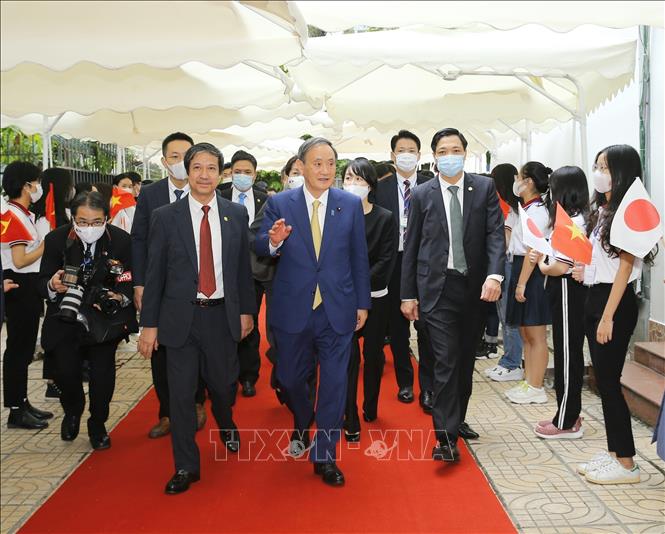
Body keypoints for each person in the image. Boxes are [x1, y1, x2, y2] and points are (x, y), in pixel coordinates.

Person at [138, 142, 256, 495]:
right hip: (180, 320)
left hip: (221, 317)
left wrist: (247, 311)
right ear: (187, 173)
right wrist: (149, 325)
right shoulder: (165, 216)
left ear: (221, 174)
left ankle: (226, 421)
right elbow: (155, 274)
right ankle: (186, 466)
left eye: (211, 168)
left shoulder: (235, 214)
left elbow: (241, 271)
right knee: (181, 395)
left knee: (222, 386)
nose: (204, 175)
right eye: (197, 168)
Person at [256, 137, 371, 486]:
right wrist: (274, 241)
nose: (325, 170)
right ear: (302, 166)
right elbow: (259, 243)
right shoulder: (280, 203)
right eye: (317, 163)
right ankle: (303, 417)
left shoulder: (349, 204)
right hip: (294, 309)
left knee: (335, 385)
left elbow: (358, 257)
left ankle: (325, 456)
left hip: (337, 309)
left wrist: (362, 302)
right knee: (290, 379)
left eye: (331, 163)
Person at [401, 128, 505, 462]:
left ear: (464, 152)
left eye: (455, 149)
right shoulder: (421, 194)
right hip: (437, 290)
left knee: (463, 361)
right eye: (443, 151)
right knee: (445, 361)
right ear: (434, 156)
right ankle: (445, 438)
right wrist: (408, 294)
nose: (450, 156)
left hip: (475, 290)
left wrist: (494, 274)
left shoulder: (484, 188)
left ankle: (457, 419)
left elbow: (494, 235)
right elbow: (412, 247)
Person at [573, 145, 657, 484]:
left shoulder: (629, 212)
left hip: (614, 302)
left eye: (605, 167)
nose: (598, 172)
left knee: (609, 383)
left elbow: (624, 268)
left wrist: (607, 317)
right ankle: (613, 454)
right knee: (603, 382)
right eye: (597, 165)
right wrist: (585, 271)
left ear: (622, 172)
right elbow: (602, 261)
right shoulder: (604, 210)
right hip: (595, 296)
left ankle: (627, 464)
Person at [39, 191, 137, 449]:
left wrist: (119, 295)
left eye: (96, 222)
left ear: (106, 218)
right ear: (72, 218)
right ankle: (73, 410)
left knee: (102, 376)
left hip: (103, 320)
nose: (89, 228)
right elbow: (41, 281)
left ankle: (98, 423)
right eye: (82, 222)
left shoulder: (121, 240)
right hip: (65, 317)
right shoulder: (56, 239)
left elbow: (131, 277)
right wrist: (52, 284)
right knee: (65, 373)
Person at [131, 132, 208, 439]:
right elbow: (138, 239)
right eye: (174, 157)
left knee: (199, 346)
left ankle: (197, 402)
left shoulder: (204, 191)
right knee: (162, 352)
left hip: (199, 287)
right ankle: (167, 412)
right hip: (160, 288)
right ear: (164, 162)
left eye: (185, 156)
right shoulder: (150, 195)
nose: (180, 162)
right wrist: (138, 283)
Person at [375, 130, 434, 412]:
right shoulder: (381, 187)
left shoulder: (431, 185)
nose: (407, 154)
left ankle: (428, 388)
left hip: (424, 264)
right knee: (398, 329)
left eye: (412, 149)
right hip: (394, 264)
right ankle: (405, 383)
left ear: (419, 156)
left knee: (425, 327)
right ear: (392, 155)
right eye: (401, 149)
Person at [530, 166, 590, 439]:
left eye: (553, 186)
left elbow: (558, 266)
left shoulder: (572, 222)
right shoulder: (573, 218)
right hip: (564, 289)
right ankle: (567, 413)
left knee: (567, 354)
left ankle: (566, 421)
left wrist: (542, 264)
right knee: (568, 352)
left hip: (567, 288)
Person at [341, 158, 397, 441]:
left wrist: (357, 285)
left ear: (371, 185)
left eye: (360, 180)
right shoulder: (335, 215)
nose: (353, 185)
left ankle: (370, 405)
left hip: (376, 297)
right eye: (349, 178)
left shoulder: (385, 217)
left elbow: (386, 261)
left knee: (372, 356)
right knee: (347, 358)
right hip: (343, 299)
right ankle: (349, 414)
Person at [1, 161, 53, 429]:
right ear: (26, 185)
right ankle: (15, 409)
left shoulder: (23, 213)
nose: (39, 188)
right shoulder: (12, 215)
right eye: (36, 182)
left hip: (28, 286)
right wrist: (47, 244)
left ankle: (22, 402)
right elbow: (20, 260)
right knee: (18, 350)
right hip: (20, 285)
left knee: (23, 349)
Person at [219, 150, 267, 397]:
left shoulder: (265, 199)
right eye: (238, 172)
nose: (242, 176)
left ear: (255, 174)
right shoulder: (219, 196)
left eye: (247, 172)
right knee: (224, 323)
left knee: (250, 323)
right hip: (223, 271)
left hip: (254, 272)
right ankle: (225, 373)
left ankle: (248, 376)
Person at [505, 162, 552, 405]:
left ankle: (536, 385)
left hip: (530, 272)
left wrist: (522, 283)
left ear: (529, 182)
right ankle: (529, 379)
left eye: (519, 177)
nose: (516, 181)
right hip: (519, 268)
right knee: (525, 332)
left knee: (536, 334)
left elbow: (533, 251)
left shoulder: (538, 211)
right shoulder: (527, 208)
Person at [32, 167, 75, 399]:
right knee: (53, 328)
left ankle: (64, 373)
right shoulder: (42, 217)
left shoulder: (67, 213)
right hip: (50, 280)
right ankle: (52, 379)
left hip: (69, 279)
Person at [484, 163, 525, 383]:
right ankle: (509, 360)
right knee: (504, 315)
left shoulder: (517, 208)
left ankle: (512, 362)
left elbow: (506, 238)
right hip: (506, 262)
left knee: (509, 317)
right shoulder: (512, 206)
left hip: (511, 263)